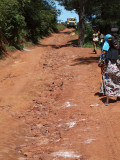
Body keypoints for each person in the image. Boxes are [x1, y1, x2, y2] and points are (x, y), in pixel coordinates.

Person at [104, 40, 120, 105]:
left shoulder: (108, 51)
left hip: (109, 70)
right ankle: (118, 98)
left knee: (109, 84)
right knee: (118, 83)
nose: (116, 46)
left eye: (116, 44)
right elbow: (118, 62)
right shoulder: (116, 52)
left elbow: (106, 61)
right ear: (112, 45)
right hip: (115, 70)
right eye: (115, 44)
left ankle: (107, 101)